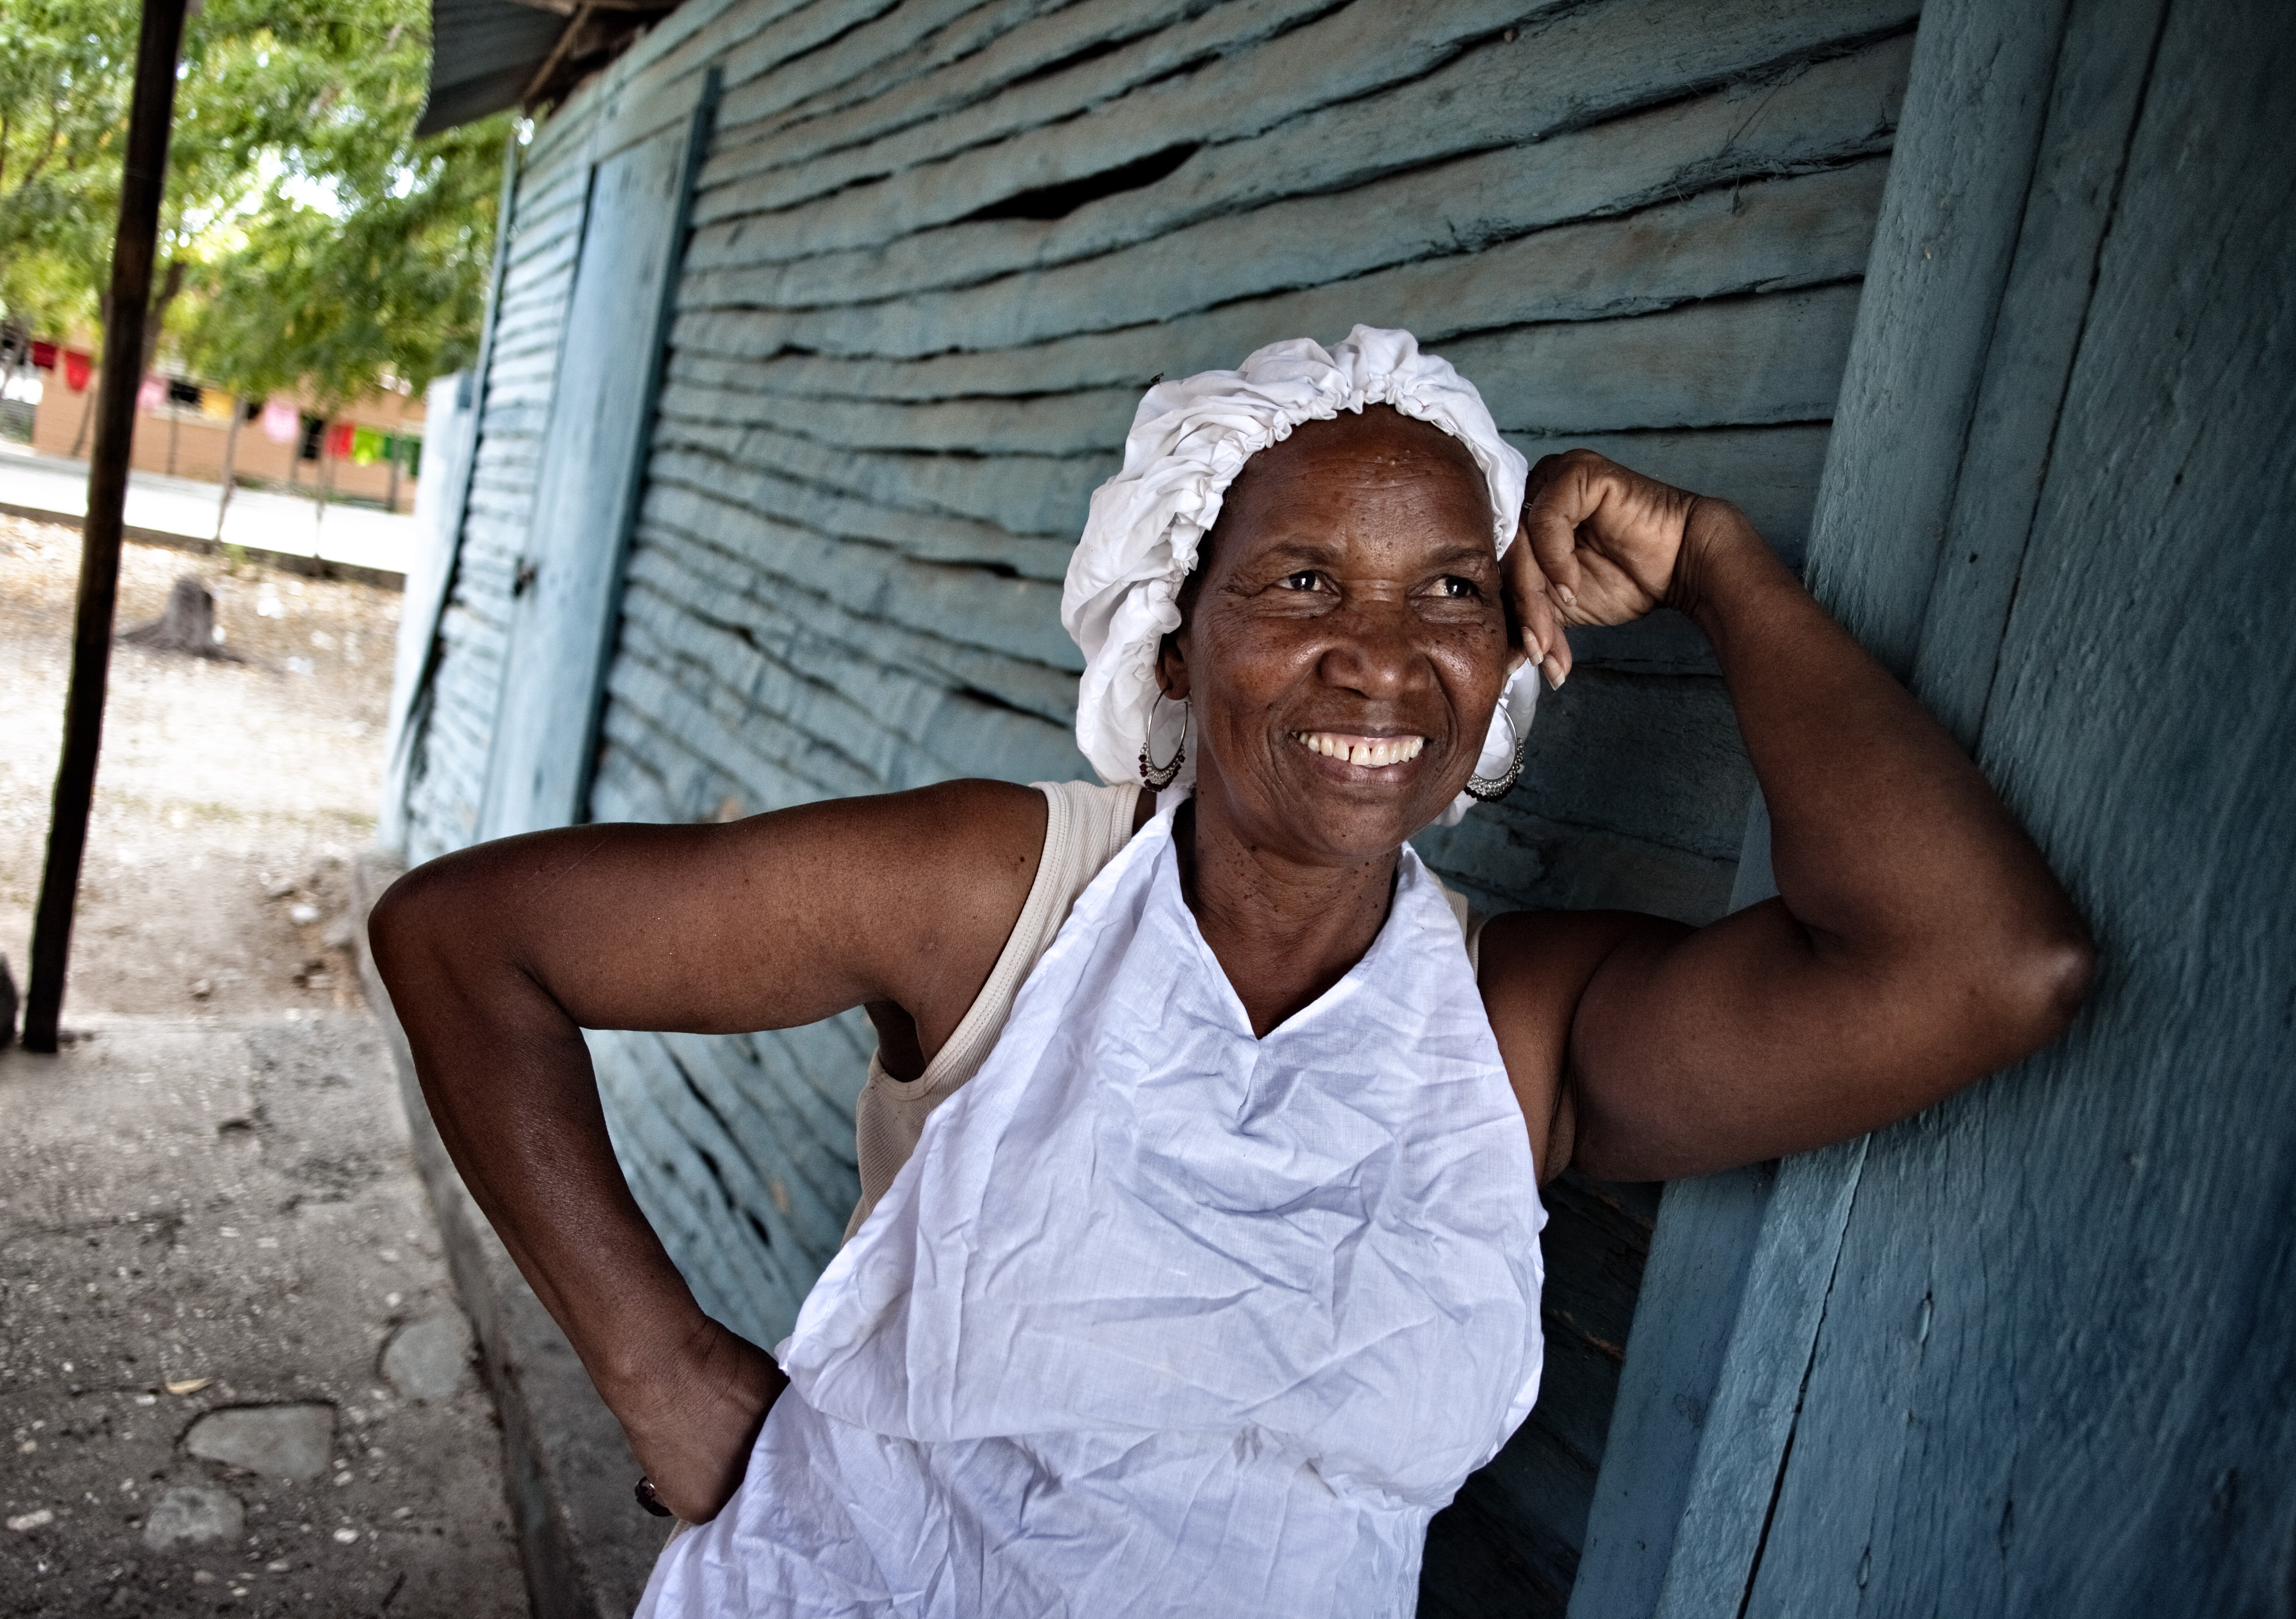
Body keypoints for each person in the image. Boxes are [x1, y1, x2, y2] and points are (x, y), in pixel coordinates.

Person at [371, 328, 2092, 1617]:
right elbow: (466, 942)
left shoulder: (1513, 1031)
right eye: (1300, 580)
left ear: (1512, 659)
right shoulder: (1005, 896)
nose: (1386, 660)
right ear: (1177, 637)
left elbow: (1987, 968)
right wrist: (657, 1364)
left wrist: (1721, 568)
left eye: (1448, 593)